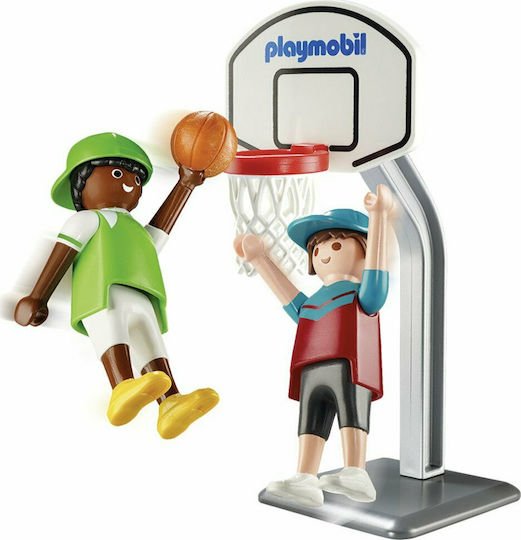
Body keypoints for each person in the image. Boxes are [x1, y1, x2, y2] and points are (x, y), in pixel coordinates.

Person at [14, 132, 218, 438]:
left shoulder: (134, 228)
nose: (130, 184)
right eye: (119, 174)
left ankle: (171, 402)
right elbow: (62, 256)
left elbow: (159, 234)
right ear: (81, 183)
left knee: (151, 344)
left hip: (142, 295)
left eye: (136, 179)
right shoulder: (86, 221)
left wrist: (185, 185)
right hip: (101, 294)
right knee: (113, 333)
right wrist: (37, 296)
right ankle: (121, 388)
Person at [234, 184, 393, 506]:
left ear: (363, 247)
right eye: (316, 248)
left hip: (350, 364)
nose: (323, 253)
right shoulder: (315, 302)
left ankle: (356, 471)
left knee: (351, 414)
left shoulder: (362, 294)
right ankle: (305, 477)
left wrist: (379, 217)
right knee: (310, 421)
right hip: (311, 368)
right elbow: (291, 300)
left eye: (335, 244)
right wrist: (260, 260)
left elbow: (378, 277)